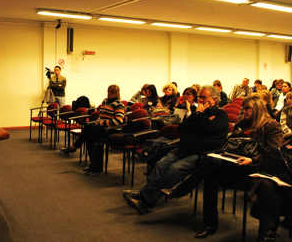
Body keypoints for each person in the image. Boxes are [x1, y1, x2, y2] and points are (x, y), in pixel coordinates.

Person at [122, 85, 228, 214]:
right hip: (184, 149)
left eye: (203, 97)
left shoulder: (221, 115)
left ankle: (146, 201)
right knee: (161, 165)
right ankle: (145, 193)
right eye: (199, 97)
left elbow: (208, 130)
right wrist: (197, 116)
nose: (199, 100)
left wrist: (198, 117)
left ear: (214, 99)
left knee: (174, 169)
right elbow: (183, 128)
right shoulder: (197, 113)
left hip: (200, 153)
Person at [194, 95, 284, 240]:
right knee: (209, 170)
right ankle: (209, 224)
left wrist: (252, 160)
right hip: (236, 165)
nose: (244, 111)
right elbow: (231, 143)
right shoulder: (242, 123)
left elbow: (274, 155)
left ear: (257, 109)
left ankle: (266, 235)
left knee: (267, 187)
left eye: (247, 108)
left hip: (257, 169)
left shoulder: (271, 126)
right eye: (244, 108)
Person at [61, 85, 125, 174]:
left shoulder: (119, 105)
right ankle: (94, 165)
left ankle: (75, 147)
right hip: (101, 127)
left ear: (116, 93)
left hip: (111, 129)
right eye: (109, 91)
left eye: (112, 92)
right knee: (89, 134)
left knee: (90, 131)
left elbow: (118, 121)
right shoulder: (105, 101)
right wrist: (98, 121)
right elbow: (101, 115)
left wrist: (102, 123)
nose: (109, 94)